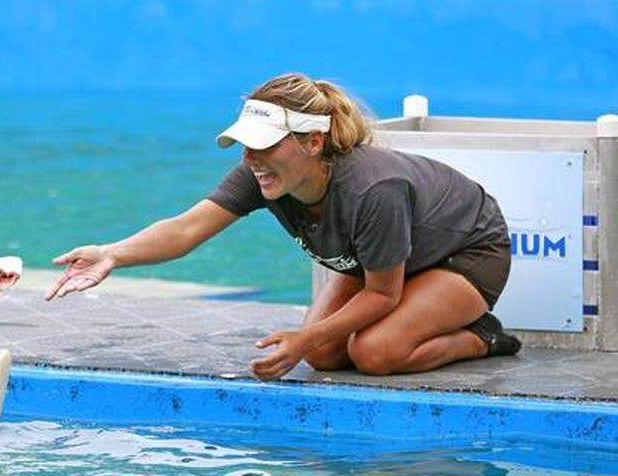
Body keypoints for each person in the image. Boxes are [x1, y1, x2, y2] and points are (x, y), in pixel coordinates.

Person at [45, 72, 520, 381]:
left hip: (467, 253)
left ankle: (483, 336)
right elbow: (186, 229)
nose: (250, 158)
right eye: (244, 145)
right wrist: (112, 253)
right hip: (388, 260)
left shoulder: (374, 189)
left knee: (376, 352)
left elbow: (382, 295)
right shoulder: (264, 173)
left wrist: (300, 338)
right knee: (327, 355)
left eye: (265, 144)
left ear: (313, 143)